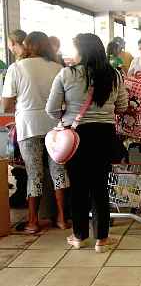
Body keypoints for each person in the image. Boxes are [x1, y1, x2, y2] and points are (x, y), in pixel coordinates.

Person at [46, 33, 128, 253]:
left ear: (81, 51)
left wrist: (66, 115)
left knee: (79, 187)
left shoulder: (67, 74)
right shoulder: (115, 75)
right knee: (100, 186)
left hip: (77, 136)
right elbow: (122, 106)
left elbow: (51, 109)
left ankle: (79, 236)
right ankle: (102, 239)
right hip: (104, 135)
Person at [2, 31, 69, 234]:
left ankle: (32, 221)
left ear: (27, 45)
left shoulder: (17, 68)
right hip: (55, 126)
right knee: (58, 171)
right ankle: (62, 218)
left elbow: (6, 104)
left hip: (29, 126)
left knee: (34, 174)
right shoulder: (59, 68)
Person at [5, 29, 28, 209]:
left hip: (26, 122)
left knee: (22, 162)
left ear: (13, 43)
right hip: (49, 123)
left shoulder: (16, 67)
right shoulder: (51, 64)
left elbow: (6, 104)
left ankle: (23, 196)